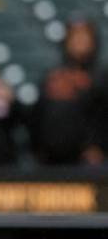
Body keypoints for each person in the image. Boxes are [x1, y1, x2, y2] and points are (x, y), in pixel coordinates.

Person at [30, 16, 103, 166]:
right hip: (51, 161)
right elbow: (37, 116)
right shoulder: (53, 77)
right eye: (75, 36)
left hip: (90, 161)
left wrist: (99, 147)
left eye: (84, 36)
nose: (79, 41)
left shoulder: (102, 77)